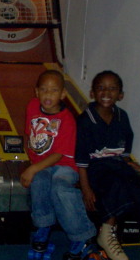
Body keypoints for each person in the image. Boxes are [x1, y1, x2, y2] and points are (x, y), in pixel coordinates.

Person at [76, 70, 140, 260]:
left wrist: (128, 164)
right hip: (96, 168)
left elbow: (123, 150)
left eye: (112, 88)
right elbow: (82, 160)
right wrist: (85, 188)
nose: (106, 92)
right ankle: (106, 233)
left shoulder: (121, 116)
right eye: (100, 88)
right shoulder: (85, 120)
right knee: (115, 183)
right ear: (92, 93)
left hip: (116, 164)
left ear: (120, 95)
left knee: (136, 184)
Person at [21, 70, 97, 260]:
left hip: (65, 166)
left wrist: (32, 169)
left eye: (54, 91)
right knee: (39, 182)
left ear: (63, 94)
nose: (48, 95)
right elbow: (28, 134)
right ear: (36, 91)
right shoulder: (32, 106)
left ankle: (82, 236)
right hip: (41, 165)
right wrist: (31, 161)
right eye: (44, 90)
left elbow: (58, 154)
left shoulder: (67, 120)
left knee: (60, 188)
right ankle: (43, 227)